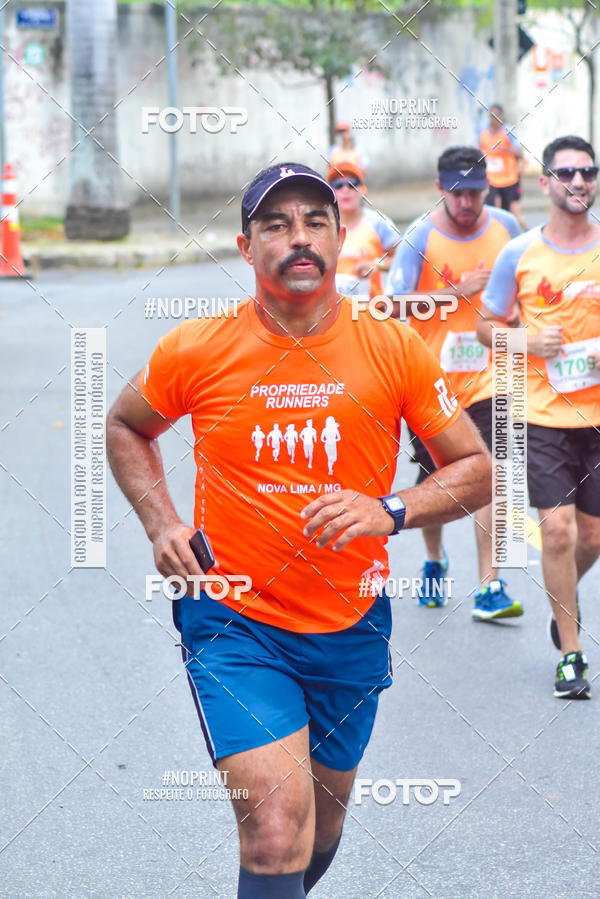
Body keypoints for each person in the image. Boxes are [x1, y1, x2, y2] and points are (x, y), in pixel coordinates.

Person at [106, 161, 491, 898]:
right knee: (276, 826)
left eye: (315, 220)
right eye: (276, 224)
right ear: (247, 248)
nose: (299, 237)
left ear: (342, 235)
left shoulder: (392, 348)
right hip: (234, 616)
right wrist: (161, 523)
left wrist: (392, 509)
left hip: (349, 625)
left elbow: (475, 470)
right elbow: (128, 423)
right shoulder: (198, 347)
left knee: (318, 832)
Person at [477, 134, 600, 700]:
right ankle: (570, 653)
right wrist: (526, 339)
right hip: (543, 413)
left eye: (588, 172)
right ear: (545, 181)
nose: (579, 182)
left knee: (592, 539)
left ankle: (562, 605)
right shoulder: (518, 253)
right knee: (556, 532)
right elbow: (485, 327)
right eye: (568, 173)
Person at [387, 146, 523, 617]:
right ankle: (433, 558)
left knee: (492, 472)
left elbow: (527, 284)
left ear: (488, 187)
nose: (467, 202)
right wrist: (455, 293)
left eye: (475, 192)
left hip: (492, 375)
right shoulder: (420, 238)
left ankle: (489, 584)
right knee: (437, 480)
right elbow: (391, 306)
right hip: (432, 381)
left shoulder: (509, 230)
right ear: (440, 188)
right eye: (457, 192)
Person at [326, 161, 400, 300]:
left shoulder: (379, 223)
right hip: (332, 311)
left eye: (352, 184)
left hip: (372, 311)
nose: (345, 190)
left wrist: (376, 265)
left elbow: (401, 257)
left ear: (362, 189)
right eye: (338, 185)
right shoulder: (321, 224)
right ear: (331, 191)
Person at [480, 103, 527, 231]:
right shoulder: (483, 131)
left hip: (508, 178)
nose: (494, 119)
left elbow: (520, 153)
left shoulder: (508, 131)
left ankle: (512, 232)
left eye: (497, 116)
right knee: (490, 207)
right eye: (491, 116)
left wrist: (503, 149)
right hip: (490, 178)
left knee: (508, 211)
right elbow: (480, 149)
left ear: (501, 116)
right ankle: (492, 231)